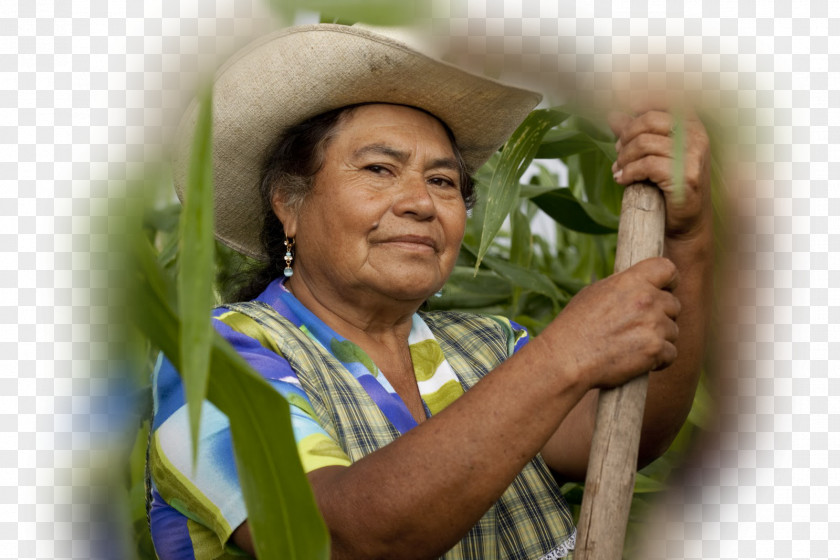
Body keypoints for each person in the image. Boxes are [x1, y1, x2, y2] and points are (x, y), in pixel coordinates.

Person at [148, 24, 713, 560]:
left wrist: (686, 238)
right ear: (288, 204)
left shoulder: (488, 346)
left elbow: (622, 436)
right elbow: (339, 538)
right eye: (378, 169)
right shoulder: (211, 362)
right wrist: (566, 354)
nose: (421, 202)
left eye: (442, 181)